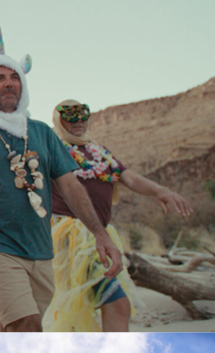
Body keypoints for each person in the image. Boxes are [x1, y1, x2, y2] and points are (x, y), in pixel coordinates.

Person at [0, 27, 122, 332]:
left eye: (15, 78)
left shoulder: (42, 133)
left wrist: (101, 235)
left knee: (14, 329)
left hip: (40, 248)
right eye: (0, 78)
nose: (9, 84)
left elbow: (70, 186)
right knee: (27, 325)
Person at [45, 99, 194, 332]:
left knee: (83, 305)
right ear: (58, 119)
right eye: (71, 115)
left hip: (99, 234)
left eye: (84, 114)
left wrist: (160, 190)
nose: (79, 121)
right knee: (116, 303)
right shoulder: (51, 147)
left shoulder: (98, 152)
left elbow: (128, 177)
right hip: (71, 235)